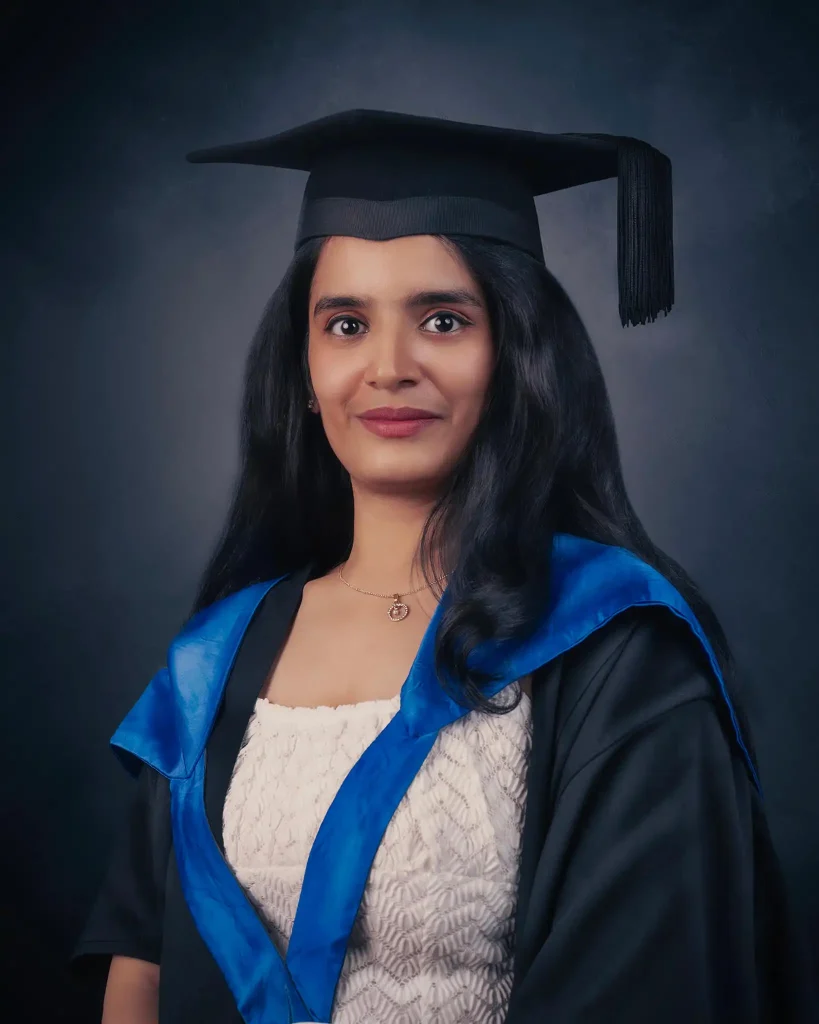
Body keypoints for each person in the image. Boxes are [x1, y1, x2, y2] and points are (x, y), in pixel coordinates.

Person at [70, 109, 818, 1024]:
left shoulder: (620, 658)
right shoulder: (212, 664)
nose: (388, 367)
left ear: (515, 356)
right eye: (344, 323)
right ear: (303, 372)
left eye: (442, 319)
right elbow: (138, 971)